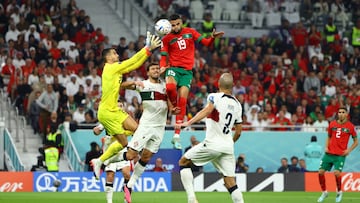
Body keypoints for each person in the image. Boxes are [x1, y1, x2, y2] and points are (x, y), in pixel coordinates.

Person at [91, 33, 161, 180]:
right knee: (124, 143)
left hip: (115, 110)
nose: (117, 55)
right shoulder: (110, 68)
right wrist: (147, 48)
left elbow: (134, 64)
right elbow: (132, 61)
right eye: (115, 53)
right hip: (106, 112)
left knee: (137, 130)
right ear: (108, 58)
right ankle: (100, 161)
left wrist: (148, 51)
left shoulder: (114, 69)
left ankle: (101, 161)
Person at [101, 63, 171, 203]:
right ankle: (102, 160)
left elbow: (170, 101)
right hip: (146, 126)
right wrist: (134, 82)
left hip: (160, 128)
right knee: (132, 155)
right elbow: (123, 85)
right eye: (153, 69)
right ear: (148, 72)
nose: (156, 70)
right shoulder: (143, 84)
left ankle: (129, 186)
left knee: (146, 157)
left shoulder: (166, 86)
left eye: (157, 68)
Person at [175, 73, 244, 203]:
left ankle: (191, 199)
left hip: (213, 144)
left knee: (183, 162)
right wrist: (230, 142)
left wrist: (188, 123)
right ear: (232, 86)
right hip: (228, 147)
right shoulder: (237, 105)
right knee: (230, 182)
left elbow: (207, 111)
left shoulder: (214, 96)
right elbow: (239, 131)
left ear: (218, 84)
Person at [160, 14, 224, 149]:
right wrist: (162, 67)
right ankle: (173, 106)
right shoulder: (166, 39)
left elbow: (206, 43)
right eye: (173, 25)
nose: (175, 27)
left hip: (187, 72)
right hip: (173, 68)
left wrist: (212, 38)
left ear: (181, 22)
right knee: (170, 88)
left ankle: (176, 136)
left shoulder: (190, 32)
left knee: (183, 100)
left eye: (178, 24)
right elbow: (163, 56)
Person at [317, 107, 358, 203]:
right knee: (320, 172)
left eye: (343, 112)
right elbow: (329, 136)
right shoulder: (332, 124)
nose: (341, 114)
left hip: (340, 155)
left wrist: (349, 150)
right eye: (339, 112)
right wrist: (326, 147)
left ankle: (339, 191)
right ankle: (324, 192)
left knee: (337, 173)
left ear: (346, 114)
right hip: (329, 153)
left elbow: (356, 141)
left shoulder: (350, 126)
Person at [93, 120, 133, 203]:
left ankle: (127, 196)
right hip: (109, 148)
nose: (120, 107)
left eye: (121, 106)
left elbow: (133, 129)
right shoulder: (108, 119)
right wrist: (96, 130)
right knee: (110, 175)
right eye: (119, 106)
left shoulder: (125, 119)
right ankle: (109, 201)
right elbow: (97, 131)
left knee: (127, 173)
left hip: (122, 146)